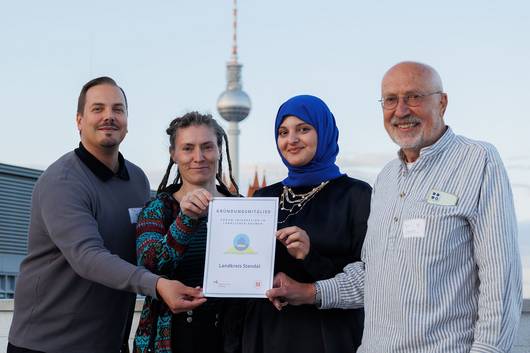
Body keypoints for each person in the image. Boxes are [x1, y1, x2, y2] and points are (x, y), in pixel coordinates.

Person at [266, 62, 523, 353]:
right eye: (390, 100)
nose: (401, 110)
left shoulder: (478, 160)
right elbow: (372, 275)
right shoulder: (387, 178)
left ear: (442, 102)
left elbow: (501, 277)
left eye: (413, 96)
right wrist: (309, 292)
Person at [8, 77, 205, 353]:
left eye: (118, 109)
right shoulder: (63, 181)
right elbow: (87, 257)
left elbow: (147, 249)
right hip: (47, 344)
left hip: (109, 343)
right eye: (98, 109)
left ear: (127, 121)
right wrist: (158, 285)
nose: (109, 117)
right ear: (79, 120)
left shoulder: (136, 180)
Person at [241, 95, 372, 353]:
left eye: (303, 129)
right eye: (283, 132)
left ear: (323, 132)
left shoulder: (356, 195)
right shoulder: (263, 197)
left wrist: (310, 256)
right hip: (266, 333)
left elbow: (370, 279)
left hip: (327, 336)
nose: (291, 140)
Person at [133, 112, 243, 353]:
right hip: (174, 338)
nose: (198, 157)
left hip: (233, 337)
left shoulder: (244, 209)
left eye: (207, 147)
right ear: (174, 154)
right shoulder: (157, 210)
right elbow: (149, 267)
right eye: (188, 148)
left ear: (219, 150)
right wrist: (186, 220)